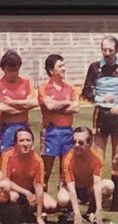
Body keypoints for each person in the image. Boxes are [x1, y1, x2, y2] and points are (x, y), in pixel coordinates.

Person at [80, 34, 118, 214]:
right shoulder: (95, 67)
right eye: (104, 50)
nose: (107, 53)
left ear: (117, 51)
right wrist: (100, 98)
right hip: (101, 115)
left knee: (117, 159)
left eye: (110, 50)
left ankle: (115, 202)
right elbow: (85, 93)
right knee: (98, 160)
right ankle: (92, 203)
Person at [38, 53, 79, 192]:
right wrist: (67, 103)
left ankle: (65, 202)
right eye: (60, 66)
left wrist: (57, 107)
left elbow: (76, 107)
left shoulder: (70, 87)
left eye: (64, 65)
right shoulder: (44, 87)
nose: (64, 68)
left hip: (67, 132)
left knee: (66, 169)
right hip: (50, 132)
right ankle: (41, 204)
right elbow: (49, 106)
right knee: (45, 171)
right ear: (51, 70)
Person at [57, 126, 112, 224]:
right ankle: (71, 212)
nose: (76, 145)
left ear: (90, 143)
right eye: (74, 142)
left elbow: (97, 184)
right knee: (62, 199)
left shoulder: (97, 157)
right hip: (73, 188)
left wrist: (99, 210)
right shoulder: (68, 158)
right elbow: (71, 187)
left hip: (87, 188)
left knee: (108, 185)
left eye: (81, 142)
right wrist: (77, 213)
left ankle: (92, 210)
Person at [0, 127, 48, 224]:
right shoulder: (7, 156)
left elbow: (39, 186)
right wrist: (26, 193)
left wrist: (39, 216)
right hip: (14, 191)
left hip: (28, 190)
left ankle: (26, 212)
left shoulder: (38, 160)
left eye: (28, 140)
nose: (25, 144)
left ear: (32, 142)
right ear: (15, 144)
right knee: (7, 189)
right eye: (21, 140)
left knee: (51, 205)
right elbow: (5, 180)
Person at [0, 50, 37, 156]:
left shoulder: (27, 82)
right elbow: (0, 108)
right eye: (10, 70)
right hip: (5, 127)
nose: (13, 73)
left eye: (16, 70)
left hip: (23, 125)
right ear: (3, 69)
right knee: (5, 158)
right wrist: (24, 106)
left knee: (25, 158)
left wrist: (13, 102)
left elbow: (34, 102)